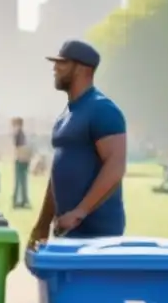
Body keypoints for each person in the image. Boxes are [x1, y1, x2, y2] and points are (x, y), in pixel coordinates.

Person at [27, 40, 127, 249]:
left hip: (98, 232)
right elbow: (57, 176)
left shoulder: (102, 109)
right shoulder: (66, 114)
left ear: (81, 68)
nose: (55, 68)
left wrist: (80, 212)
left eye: (62, 63)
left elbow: (116, 166)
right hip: (69, 229)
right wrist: (42, 225)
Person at [11, 117, 32, 209]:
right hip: (23, 160)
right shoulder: (21, 134)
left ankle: (19, 201)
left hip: (20, 160)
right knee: (22, 181)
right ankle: (22, 200)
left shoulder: (19, 134)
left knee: (20, 181)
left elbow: (20, 148)